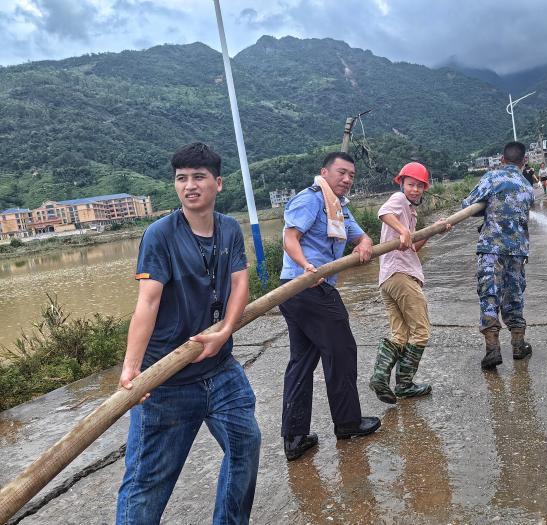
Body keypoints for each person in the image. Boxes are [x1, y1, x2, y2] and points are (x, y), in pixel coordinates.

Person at [116, 143, 261, 524]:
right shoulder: (159, 235)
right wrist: (132, 369)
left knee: (246, 446)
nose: (189, 186)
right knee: (147, 483)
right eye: (181, 178)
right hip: (167, 379)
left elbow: (240, 281)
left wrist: (226, 330)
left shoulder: (229, 229)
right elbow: (147, 303)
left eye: (198, 177)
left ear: (218, 183)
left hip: (220, 369)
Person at [278, 151, 380, 461]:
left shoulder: (339, 208)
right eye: (341, 173)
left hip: (296, 294)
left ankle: (295, 438)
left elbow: (360, 237)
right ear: (325, 172)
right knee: (342, 352)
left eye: (351, 174)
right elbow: (289, 238)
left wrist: (363, 245)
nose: (347, 179)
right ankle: (348, 423)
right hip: (308, 287)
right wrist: (307, 266)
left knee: (302, 361)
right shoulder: (310, 200)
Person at [369, 162, 451, 404]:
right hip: (401, 274)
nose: (414, 189)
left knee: (400, 334)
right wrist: (402, 229)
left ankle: (380, 376)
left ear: (424, 188)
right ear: (402, 184)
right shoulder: (398, 200)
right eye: (410, 184)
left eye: (419, 186)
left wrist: (431, 231)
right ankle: (403, 384)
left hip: (388, 278)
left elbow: (413, 246)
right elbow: (382, 213)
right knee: (421, 331)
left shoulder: (411, 212)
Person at [461, 141, 535, 370]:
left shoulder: (492, 178)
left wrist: (488, 209)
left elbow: (468, 204)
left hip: (491, 250)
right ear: (524, 162)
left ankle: (492, 350)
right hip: (516, 251)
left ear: (502, 160)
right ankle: (518, 345)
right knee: (514, 296)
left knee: (489, 296)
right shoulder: (527, 186)